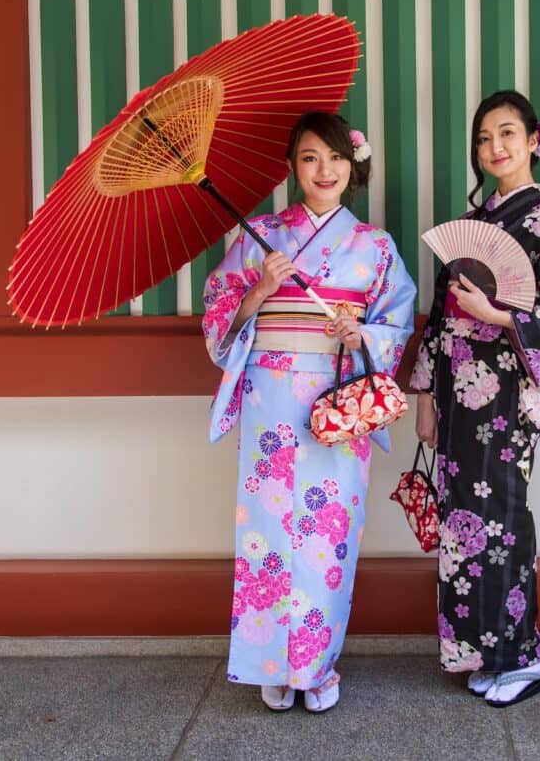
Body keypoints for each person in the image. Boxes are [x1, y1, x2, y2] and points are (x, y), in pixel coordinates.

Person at [201, 112, 416, 713]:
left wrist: (362, 335)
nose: (325, 170)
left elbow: (397, 319)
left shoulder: (374, 246)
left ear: (354, 166)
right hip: (271, 398)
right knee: (268, 532)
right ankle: (272, 662)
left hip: (336, 397)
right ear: (293, 168)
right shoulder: (261, 235)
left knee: (328, 534)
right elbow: (219, 310)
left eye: (336, 158)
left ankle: (316, 667)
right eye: (310, 158)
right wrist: (259, 292)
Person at [409, 90, 540, 707]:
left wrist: (499, 315)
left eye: (506, 135)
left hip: (508, 393)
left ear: (532, 142)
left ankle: (523, 656)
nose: (494, 148)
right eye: (484, 139)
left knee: (503, 519)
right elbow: (441, 318)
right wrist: (425, 393)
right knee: (463, 524)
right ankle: (480, 652)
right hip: (458, 392)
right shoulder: (478, 224)